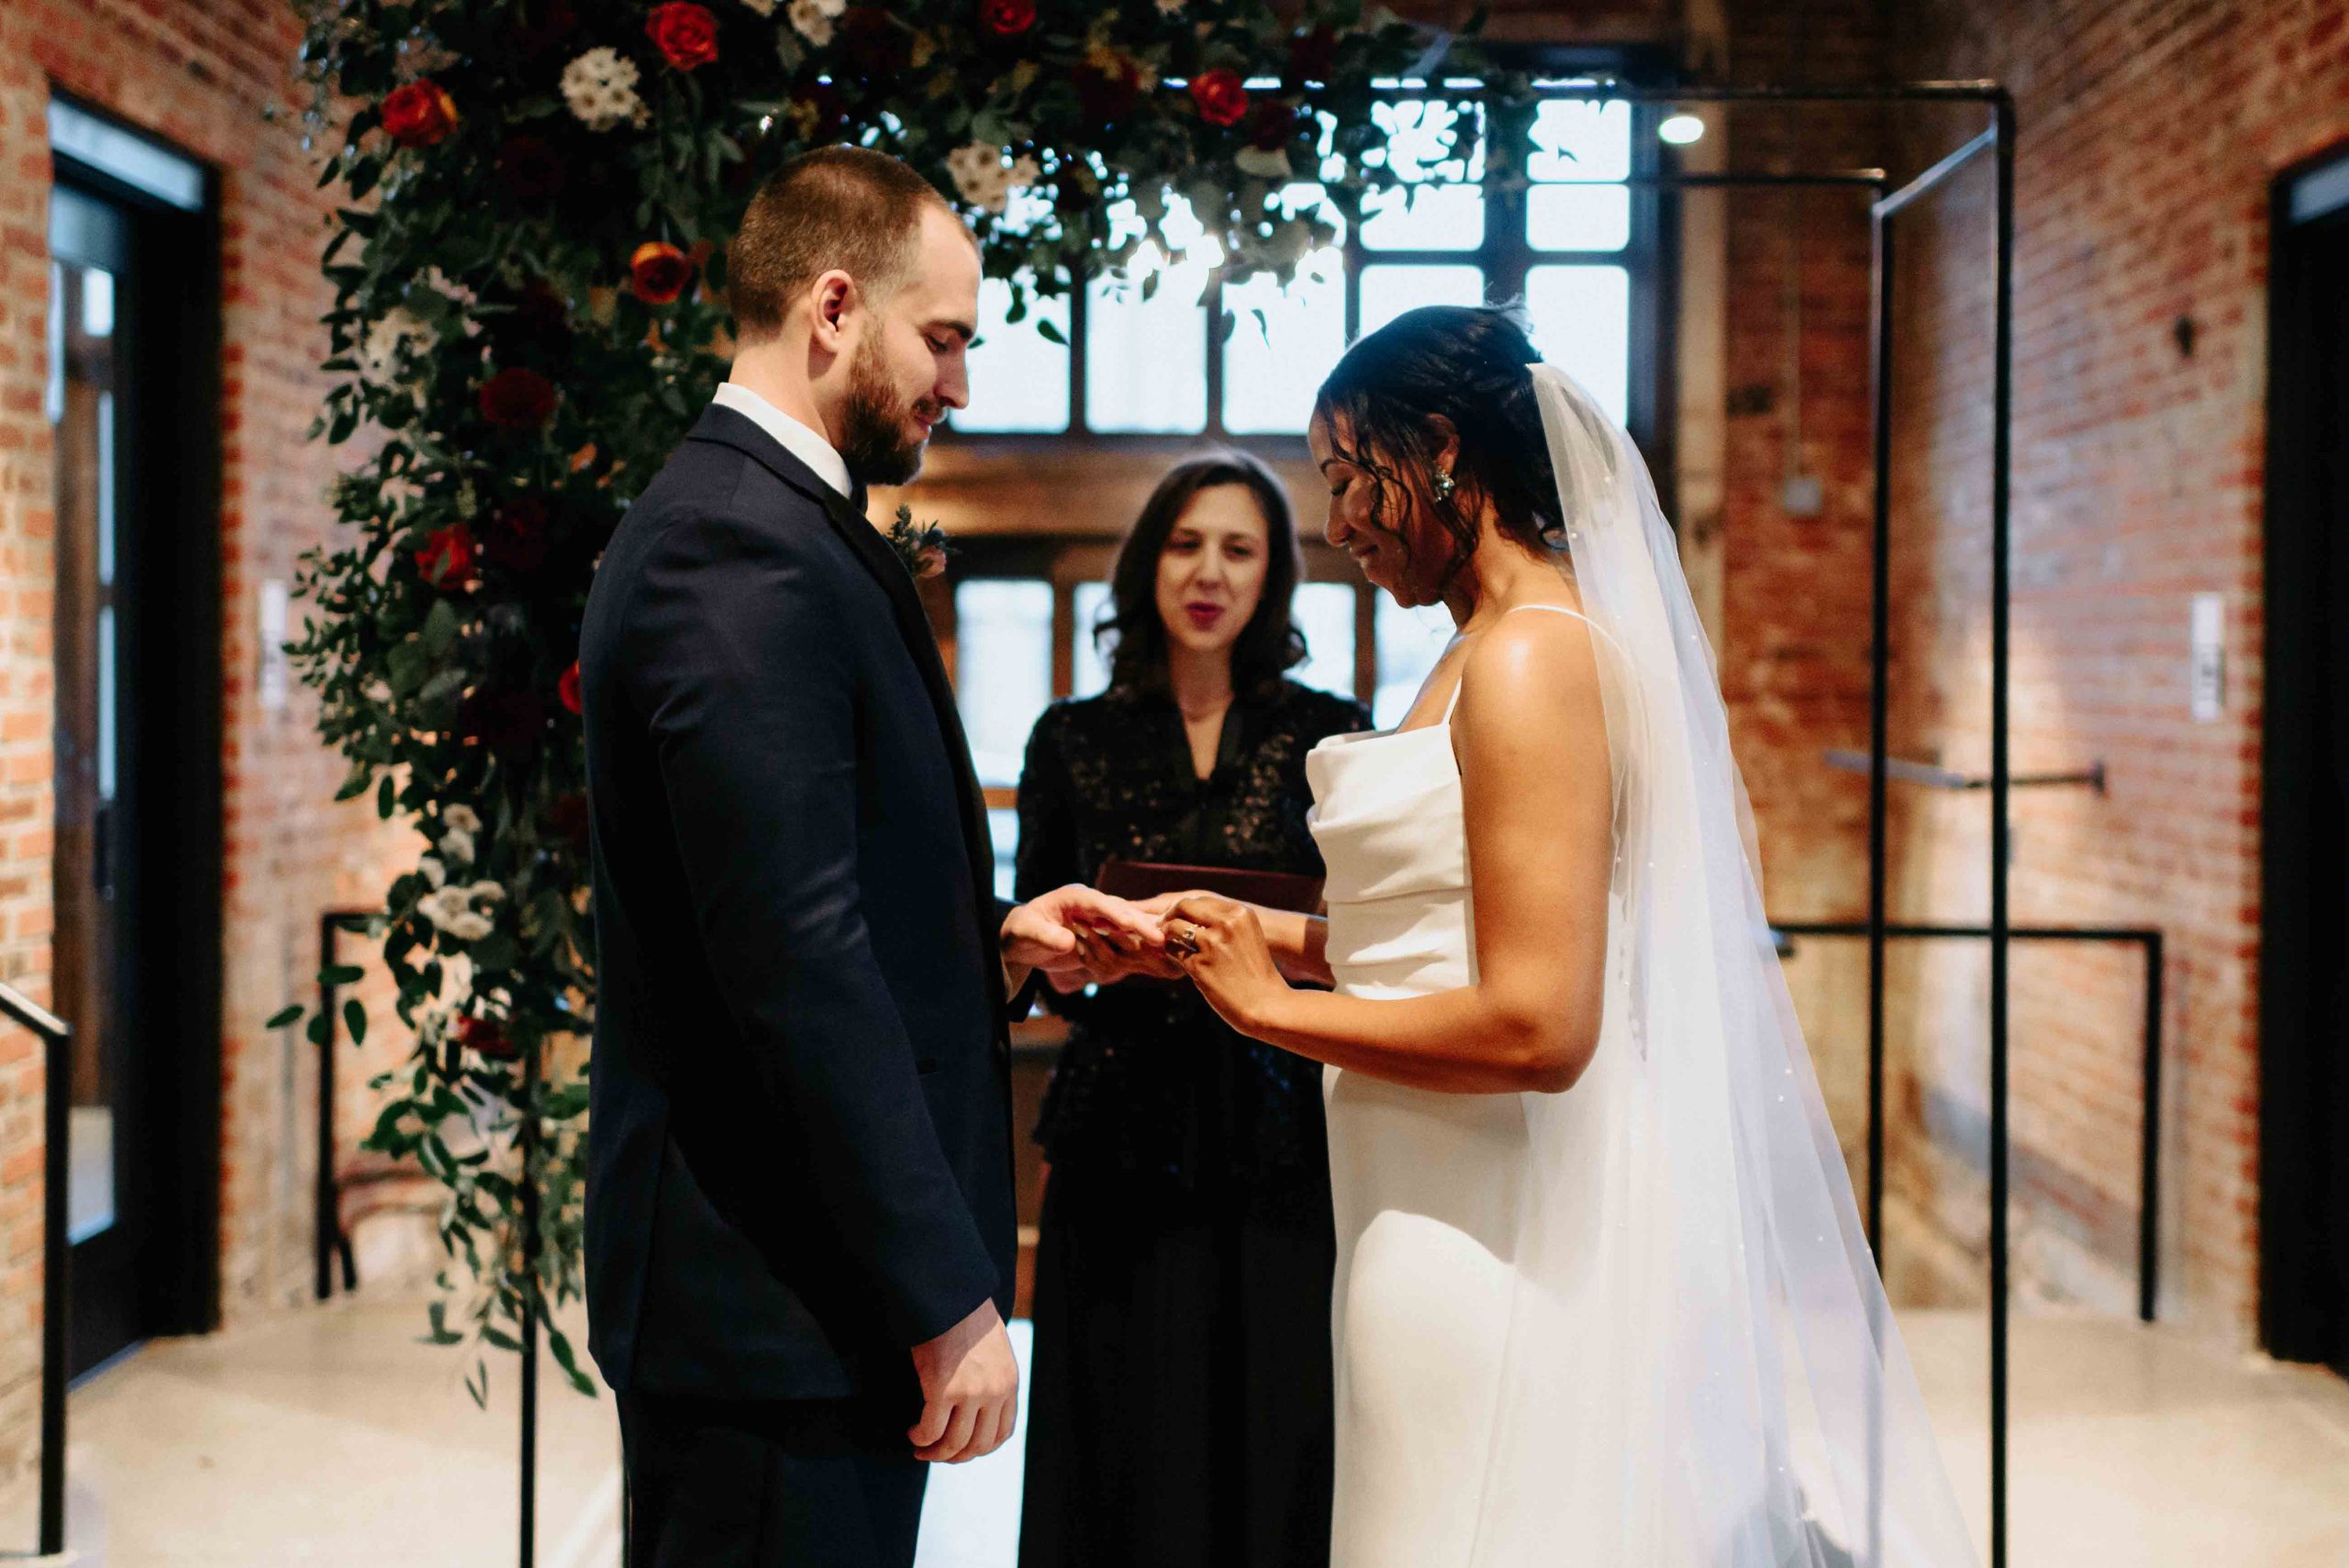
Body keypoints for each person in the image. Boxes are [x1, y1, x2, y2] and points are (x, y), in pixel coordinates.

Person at [1155, 306, 1979, 1566]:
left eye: (1348, 476)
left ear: (1441, 448)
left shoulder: (1533, 658)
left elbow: (1541, 1024)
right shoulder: (1481, 645)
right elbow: (1433, 930)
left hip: (1502, 1213)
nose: (1339, 522)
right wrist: (1221, 933)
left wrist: (1269, 1008)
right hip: (1423, 1185)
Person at [577, 146, 1153, 1568]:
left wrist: (987, 942)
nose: (959, 384)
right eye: (943, 338)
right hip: (772, 1307)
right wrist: (945, 1296)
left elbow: (799, 890)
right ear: (834, 306)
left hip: (791, 1308)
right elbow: (790, 961)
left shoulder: (774, 522)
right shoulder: (736, 544)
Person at [1013, 452, 1368, 1568]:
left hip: (1281, 1124)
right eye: (1185, 543)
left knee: (1275, 1417)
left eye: (1238, 548)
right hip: (1117, 1121)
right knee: (1115, 1425)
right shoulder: (1069, 736)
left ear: (1271, 576)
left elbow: (1360, 944)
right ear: (1147, 563)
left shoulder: (1331, 735)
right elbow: (1031, 949)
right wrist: (1075, 960)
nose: (1208, 571)